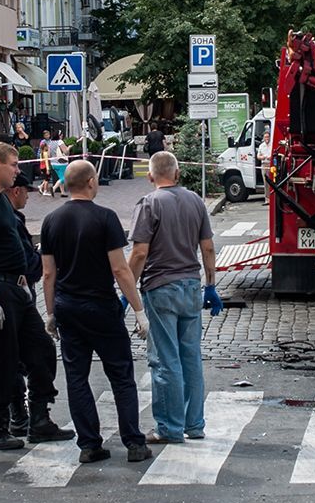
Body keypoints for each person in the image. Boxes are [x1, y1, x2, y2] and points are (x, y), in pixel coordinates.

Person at [40, 160, 152, 465]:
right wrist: (138, 310)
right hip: (101, 305)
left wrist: (50, 312)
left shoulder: (51, 220)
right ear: (91, 182)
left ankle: (89, 444)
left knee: (77, 377)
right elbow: (120, 269)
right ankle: (134, 443)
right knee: (121, 375)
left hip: (67, 306)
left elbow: (48, 274)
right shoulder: (105, 217)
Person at [0, 142, 70, 450]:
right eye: (13, 164)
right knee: (0, 358)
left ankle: (38, 419)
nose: (17, 170)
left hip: (16, 288)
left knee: (42, 349)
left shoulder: (0, 201)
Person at [128, 151, 220, 444]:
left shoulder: (149, 204)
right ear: (178, 173)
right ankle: (194, 424)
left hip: (160, 288)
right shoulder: (196, 201)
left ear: (150, 176)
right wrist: (211, 285)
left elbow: (139, 253)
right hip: (191, 287)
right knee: (191, 357)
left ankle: (169, 427)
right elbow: (207, 247)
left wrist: (127, 290)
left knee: (165, 359)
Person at [4, 168, 73, 442]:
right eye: (25, 192)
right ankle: (25, 417)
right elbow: (28, 263)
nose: (28, 198)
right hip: (13, 295)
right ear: (15, 191)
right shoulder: (9, 219)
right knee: (28, 353)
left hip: (17, 295)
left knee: (30, 352)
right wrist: (40, 257)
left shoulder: (11, 216)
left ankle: (28, 417)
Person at [37, 130, 55, 196]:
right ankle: (44, 190)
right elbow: (46, 161)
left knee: (46, 178)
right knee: (47, 179)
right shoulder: (45, 152)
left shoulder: (50, 141)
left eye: (48, 134)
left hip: (43, 166)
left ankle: (41, 186)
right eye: (46, 135)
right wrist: (48, 169)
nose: (47, 136)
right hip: (45, 166)